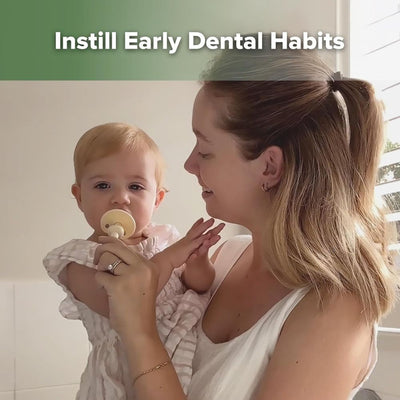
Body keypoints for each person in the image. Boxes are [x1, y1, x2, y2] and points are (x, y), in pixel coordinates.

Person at [93, 34, 399, 400]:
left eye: (205, 150)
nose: (189, 164)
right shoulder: (223, 258)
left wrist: (138, 332)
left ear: (269, 167)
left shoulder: (333, 310)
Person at [43, 122, 224, 400]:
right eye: (103, 186)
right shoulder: (79, 259)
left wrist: (197, 261)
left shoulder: (165, 239)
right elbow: (119, 305)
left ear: (157, 199)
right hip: (121, 378)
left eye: (136, 186)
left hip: (179, 362)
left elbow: (199, 286)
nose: (120, 198)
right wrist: (170, 259)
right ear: (79, 197)